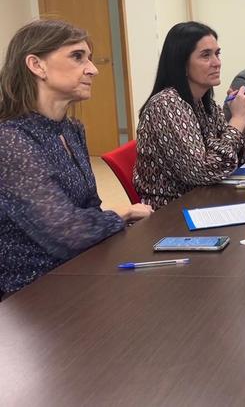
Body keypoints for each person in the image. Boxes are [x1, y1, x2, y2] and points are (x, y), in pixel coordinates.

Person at [0, 19, 152, 296]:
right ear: (36, 65)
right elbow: (68, 233)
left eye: (90, 58)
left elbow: (89, 210)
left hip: (79, 267)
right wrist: (123, 211)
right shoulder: (11, 139)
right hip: (31, 293)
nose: (93, 69)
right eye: (77, 56)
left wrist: (107, 219)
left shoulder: (71, 130)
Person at [134, 22, 245, 209]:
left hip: (205, 200)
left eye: (217, 54)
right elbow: (202, 172)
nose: (217, 63)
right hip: (170, 212)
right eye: (205, 55)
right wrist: (238, 120)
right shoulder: (166, 105)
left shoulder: (204, 102)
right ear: (181, 64)